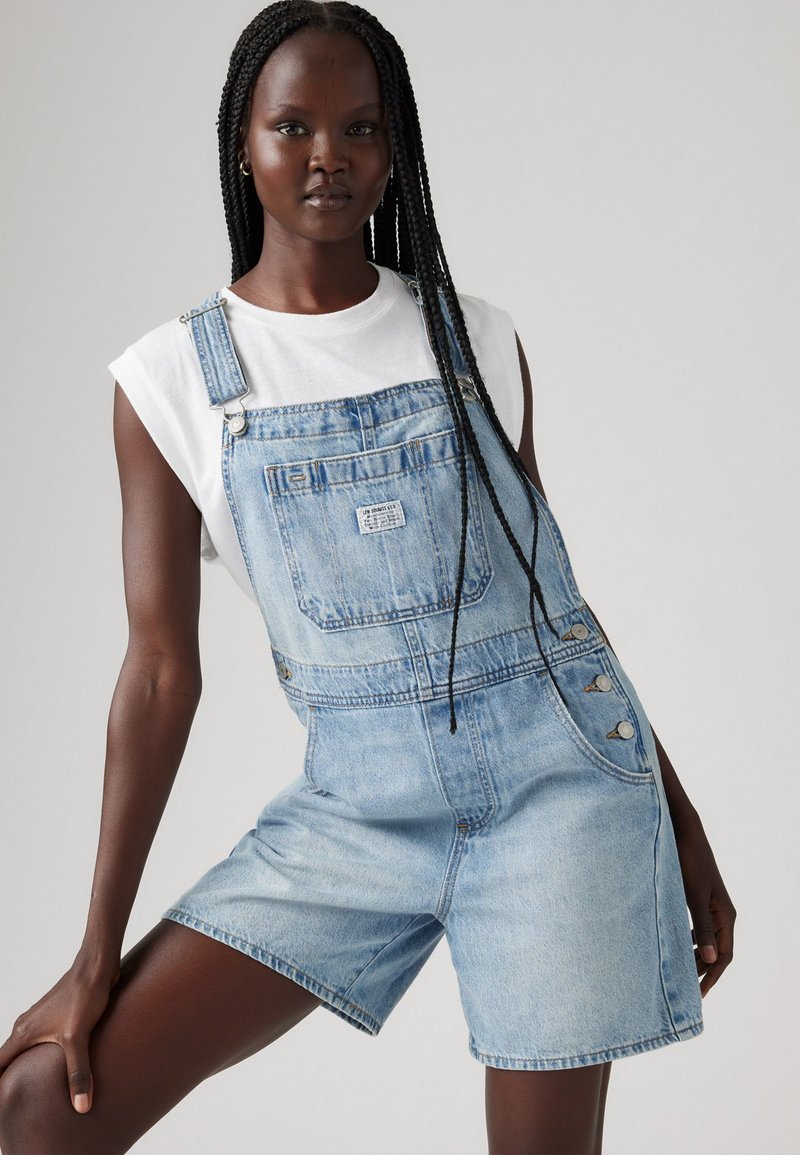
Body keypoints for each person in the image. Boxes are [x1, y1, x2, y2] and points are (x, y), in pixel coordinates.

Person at [0, 2, 736, 1151]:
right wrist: (96, 954)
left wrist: (678, 824)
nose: (327, 156)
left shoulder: (473, 339)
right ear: (241, 142)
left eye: (360, 128)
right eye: (292, 126)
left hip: (560, 801)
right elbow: (157, 671)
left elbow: (555, 610)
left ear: (395, 152)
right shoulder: (170, 382)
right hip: (355, 814)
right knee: (39, 1108)